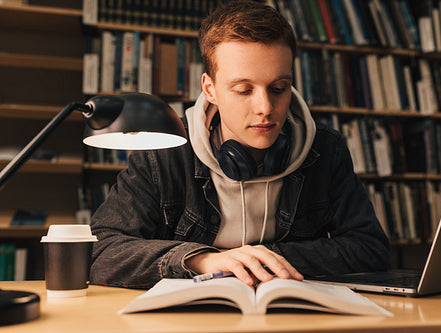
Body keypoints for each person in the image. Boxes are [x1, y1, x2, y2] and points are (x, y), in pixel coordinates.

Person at [90, 0, 390, 289]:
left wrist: (261, 260)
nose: (265, 107)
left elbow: (369, 248)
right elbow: (101, 250)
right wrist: (202, 260)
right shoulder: (166, 149)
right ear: (210, 89)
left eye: (278, 88)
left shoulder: (326, 149)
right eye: (244, 90)